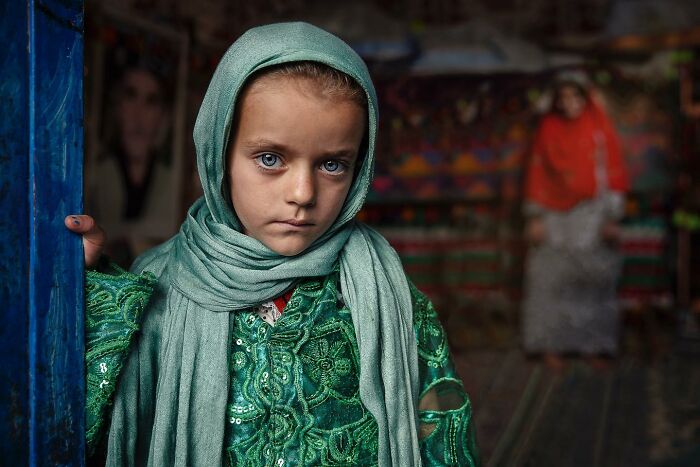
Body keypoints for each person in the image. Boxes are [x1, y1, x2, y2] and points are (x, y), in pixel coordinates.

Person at [67, 22, 480, 466]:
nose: (302, 193)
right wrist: (79, 290)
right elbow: (86, 426)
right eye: (270, 158)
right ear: (218, 152)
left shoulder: (385, 291)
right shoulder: (159, 282)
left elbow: (441, 428)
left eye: (332, 165)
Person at [522, 71, 629, 370]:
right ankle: (550, 346)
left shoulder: (599, 130)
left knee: (593, 281)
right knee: (550, 281)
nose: (570, 103)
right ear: (556, 102)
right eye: (563, 97)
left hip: (592, 215)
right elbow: (537, 172)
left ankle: (594, 345)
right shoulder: (548, 129)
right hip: (553, 216)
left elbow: (613, 172)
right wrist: (534, 217)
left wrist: (611, 217)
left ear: (585, 98)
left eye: (575, 96)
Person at [88, 64, 176, 266]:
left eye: (151, 101)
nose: (139, 114)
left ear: (162, 115)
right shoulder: (94, 174)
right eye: (130, 96)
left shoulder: (170, 179)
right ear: (117, 107)